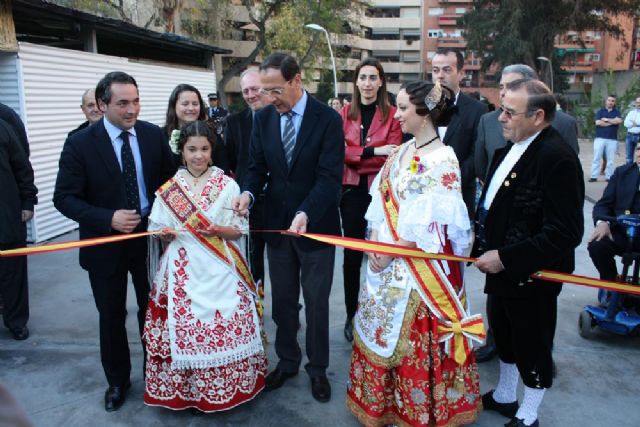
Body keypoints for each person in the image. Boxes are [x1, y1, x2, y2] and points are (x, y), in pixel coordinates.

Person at [346, 80, 480, 426]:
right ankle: (383, 406)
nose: (398, 114)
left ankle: (416, 410)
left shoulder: (444, 160)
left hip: (417, 273)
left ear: (425, 113)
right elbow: (379, 202)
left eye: (404, 108)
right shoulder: (401, 151)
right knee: (379, 331)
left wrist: (391, 251)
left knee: (409, 344)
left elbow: (435, 231)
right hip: (384, 264)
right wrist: (376, 242)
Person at [53, 71, 176, 412]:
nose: (131, 109)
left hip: (149, 240)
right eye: (123, 103)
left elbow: (169, 184)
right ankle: (117, 381)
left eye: (136, 101)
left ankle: (157, 376)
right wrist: (107, 218)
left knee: (152, 313)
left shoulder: (152, 135)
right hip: (104, 245)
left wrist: (170, 221)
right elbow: (64, 198)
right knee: (111, 316)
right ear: (103, 104)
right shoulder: (80, 143)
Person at [232, 53, 344, 402]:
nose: (269, 98)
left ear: (297, 80)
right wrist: (248, 193)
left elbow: (329, 179)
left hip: (315, 227)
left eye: (275, 90)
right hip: (277, 228)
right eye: (265, 91)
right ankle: (288, 360)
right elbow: (256, 168)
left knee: (316, 303)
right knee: (282, 302)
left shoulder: (327, 119)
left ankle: (318, 368)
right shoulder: (263, 119)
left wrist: (306, 213)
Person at [474, 79, 584, 427]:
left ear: (538, 116)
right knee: (505, 335)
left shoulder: (557, 158)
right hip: (501, 270)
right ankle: (506, 395)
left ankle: (529, 411)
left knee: (532, 342)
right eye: (500, 109)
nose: (501, 118)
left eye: (509, 112)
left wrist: (506, 258)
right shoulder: (510, 148)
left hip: (532, 275)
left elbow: (565, 232)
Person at [143, 120, 267, 413]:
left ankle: (229, 390)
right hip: (182, 269)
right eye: (192, 149)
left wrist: (218, 230)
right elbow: (159, 228)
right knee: (180, 328)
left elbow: (238, 231)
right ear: (181, 151)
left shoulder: (228, 185)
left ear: (212, 151)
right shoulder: (170, 189)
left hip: (220, 267)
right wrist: (165, 234)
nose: (198, 155)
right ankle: (187, 394)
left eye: (204, 149)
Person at [339, 57, 402, 343]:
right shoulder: (343, 113)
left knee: (379, 255)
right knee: (352, 258)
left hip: (381, 192)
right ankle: (351, 315)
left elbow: (394, 154)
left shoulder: (392, 114)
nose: (367, 83)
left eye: (372, 77)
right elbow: (341, 153)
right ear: (356, 82)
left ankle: (376, 314)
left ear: (380, 81)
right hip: (351, 193)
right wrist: (372, 152)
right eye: (362, 77)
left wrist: (359, 154)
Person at [430, 48, 487, 216]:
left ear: (461, 74)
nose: (440, 75)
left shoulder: (477, 110)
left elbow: (476, 155)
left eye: (447, 70)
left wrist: (450, 179)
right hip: (423, 196)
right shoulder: (421, 106)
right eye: (435, 70)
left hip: (460, 197)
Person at [225, 69, 267, 287]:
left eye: (255, 88)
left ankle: (286, 309)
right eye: (245, 91)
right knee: (252, 260)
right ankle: (255, 310)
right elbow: (230, 163)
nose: (251, 95)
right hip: (248, 203)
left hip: (279, 201)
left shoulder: (281, 116)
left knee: (283, 263)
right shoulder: (234, 123)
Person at [0, 117, 37, 341]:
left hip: (6, 216)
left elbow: (22, 165)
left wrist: (27, 201)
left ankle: (16, 321)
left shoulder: (5, 122)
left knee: (13, 273)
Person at [589, 141, 640, 284]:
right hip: (621, 232)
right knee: (597, 245)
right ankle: (612, 286)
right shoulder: (622, 173)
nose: (639, 154)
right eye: (638, 149)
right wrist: (602, 222)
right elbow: (603, 205)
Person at [164, 84, 230, 173]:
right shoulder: (161, 136)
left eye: (195, 104)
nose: (191, 108)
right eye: (185, 104)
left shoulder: (212, 134)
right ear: (174, 106)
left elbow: (223, 168)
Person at [590, 95, 621, 182]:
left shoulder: (617, 112)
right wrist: (612, 121)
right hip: (600, 138)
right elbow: (598, 123)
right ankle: (593, 176)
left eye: (612, 101)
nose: (610, 102)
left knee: (610, 159)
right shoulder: (600, 111)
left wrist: (606, 120)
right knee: (596, 157)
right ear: (606, 101)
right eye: (609, 100)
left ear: (614, 102)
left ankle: (609, 176)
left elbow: (619, 121)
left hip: (612, 139)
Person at [623, 96, 640, 164]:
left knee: (639, 157)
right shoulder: (631, 113)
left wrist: (634, 123)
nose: (639, 104)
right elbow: (626, 124)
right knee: (628, 158)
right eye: (637, 102)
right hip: (629, 136)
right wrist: (635, 124)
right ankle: (630, 174)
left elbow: (636, 123)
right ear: (635, 103)